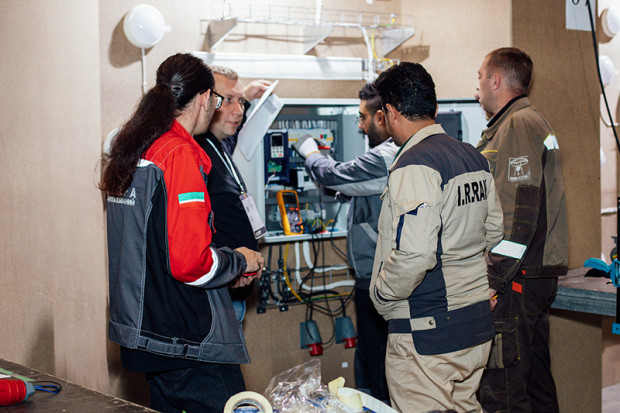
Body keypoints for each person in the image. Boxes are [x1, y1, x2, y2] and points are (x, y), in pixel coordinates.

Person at [99, 53, 264, 412]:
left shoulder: (138, 147)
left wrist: (223, 270)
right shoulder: (178, 154)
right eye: (218, 100)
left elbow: (152, 246)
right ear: (204, 98)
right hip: (184, 335)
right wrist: (239, 261)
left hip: (147, 331)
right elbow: (189, 262)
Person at [370, 62, 504, 413]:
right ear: (434, 106)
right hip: (474, 325)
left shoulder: (414, 164)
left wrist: (382, 295)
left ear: (391, 112)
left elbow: (415, 255)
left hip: (427, 332)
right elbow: (495, 233)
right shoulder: (473, 157)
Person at [475, 47, 568, 413]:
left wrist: (494, 278)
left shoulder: (517, 126)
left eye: (480, 77)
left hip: (516, 279)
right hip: (527, 277)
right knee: (535, 384)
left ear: (496, 80)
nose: (477, 86)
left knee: (505, 393)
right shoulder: (522, 123)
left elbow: (519, 214)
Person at [292, 83, 396, 403]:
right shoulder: (386, 154)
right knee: (370, 354)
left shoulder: (387, 155)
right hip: (372, 274)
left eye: (363, 117)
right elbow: (353, 186)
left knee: (377, 358)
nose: (360, 125)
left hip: (382, 276)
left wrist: (311, 153)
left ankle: (378, 405)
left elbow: (334, 175)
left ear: (381, 117)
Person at [194, 66, 271, 323]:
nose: (238, 110)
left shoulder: (219, 144)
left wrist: (244, 94)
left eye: (241, 102)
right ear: (206, 101)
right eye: (228, 100)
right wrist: (229, 268)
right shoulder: (196, 154)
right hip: (215, 296)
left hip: (233, 293)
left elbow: (232, 128)